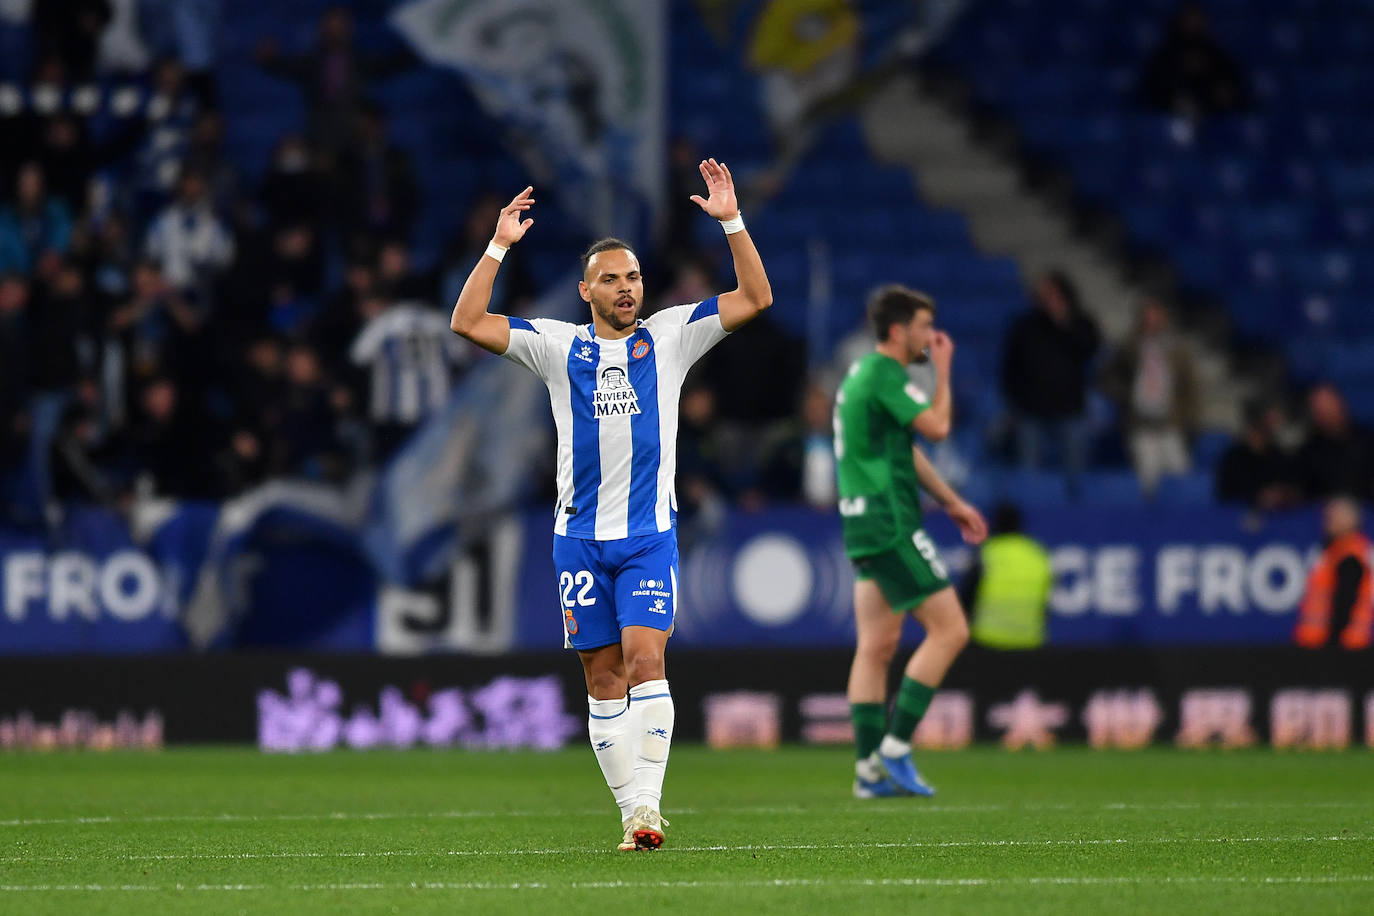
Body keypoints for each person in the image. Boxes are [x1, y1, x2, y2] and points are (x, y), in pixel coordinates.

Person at [450, 160, 772, 851]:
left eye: (633, 278)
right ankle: (630, 813)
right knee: (602, 677)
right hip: (578, 541)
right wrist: (499, 245)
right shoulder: (556, 346)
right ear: (585, 290)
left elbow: (755, 298)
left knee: (645, 661)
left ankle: (648, 811)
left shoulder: (674, 335)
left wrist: (732, 222)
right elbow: (467, 319)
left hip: (649, 537)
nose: (626, 290)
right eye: (611, 280)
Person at [835, 284, 988, 799]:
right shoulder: (884, 373)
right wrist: (943, 371)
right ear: (899, 331)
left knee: (876, 647)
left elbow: (906, 448)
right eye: (924, 326)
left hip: (862, 519)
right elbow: (938, 429)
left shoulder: (862, 375)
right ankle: (895, 746)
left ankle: (867, 771)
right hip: (889, 521)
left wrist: (951, 501)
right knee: (951, 631)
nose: (932, 335)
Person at [999, 271, 1100, 494]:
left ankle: (1076, 513)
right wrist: (1016, 402)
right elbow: (1010, 368)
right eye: (1044, 294)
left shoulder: (1080, 323)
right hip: (1031, 412)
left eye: (1052, 294)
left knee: (1076, 474)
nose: (1047, 299)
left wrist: (1063, 321)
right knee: (1030, 475)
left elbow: (1090, 349)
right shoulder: (1025, 327)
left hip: (1070, 410)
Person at [1101, 298, 1200, 496]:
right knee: (1148, 475)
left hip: (1170, 420)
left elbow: (1189, 385)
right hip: (1140, 421)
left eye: (1156, 317)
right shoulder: (1129, 346)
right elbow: (1108, 376)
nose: (1152, 321)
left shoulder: (1176, 349)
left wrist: (1191, 416)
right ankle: (1151, 518)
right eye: (1148, 317)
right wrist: (1124, 394)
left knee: (1179, 471)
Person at [959, 503, 1053, 650]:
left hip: (987, 641)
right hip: (1030, 643)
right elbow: (1046, 604)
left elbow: (966, 599)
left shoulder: (986, 553)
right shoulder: (1039, 554)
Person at [1294, 497, 1372, 650]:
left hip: (1341, 646)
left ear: (1351, 519)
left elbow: (1345, 601)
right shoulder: (1334, 551)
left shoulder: (1350, 556)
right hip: (1321, 642)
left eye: (1333, 516)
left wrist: (1332, 642)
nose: (1327, 522)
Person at [1292, 384, 1373, 502]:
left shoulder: (1368, 440)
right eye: (1320, 409)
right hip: (1324, 513)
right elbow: (1304, 493)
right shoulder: (1308, 452)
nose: (1327, 412)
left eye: (1330, 405)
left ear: (1341, 404)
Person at [1214, 402, 1299, 510]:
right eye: (1254, 430)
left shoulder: (1278, 455)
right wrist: (1257, 497)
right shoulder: (1233, 458)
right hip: (1239, 515)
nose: (1256, 437)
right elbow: (1226, 494)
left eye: (1263, 432)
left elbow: (1290, 488)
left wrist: (1281, 494)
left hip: (1276, 516)